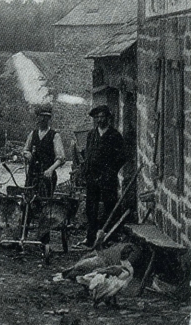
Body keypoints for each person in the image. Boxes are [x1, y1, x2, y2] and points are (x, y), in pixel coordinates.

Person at [74, 104, 126, 249]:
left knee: (110, 205)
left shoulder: (115, 136)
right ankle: (90, 237)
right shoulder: (91, 135)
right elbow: (88, 155)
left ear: (108, 118)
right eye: (98, 117)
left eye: (103, 116)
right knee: (91, 207)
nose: (100, 119)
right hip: (92, 177)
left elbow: (122, 157)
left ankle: (109, 236)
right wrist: (85, 171)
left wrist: (111, 171)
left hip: (107, 178)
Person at [22, 103, 66, 198]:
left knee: (44, 202)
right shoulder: (32, 134)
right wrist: (27, 154)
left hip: (47, 177)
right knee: (28, 201)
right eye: (40, 117)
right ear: (37, 118)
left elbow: (61, 158)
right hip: (32, 175)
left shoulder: (54, 136)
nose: (42, 120)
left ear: (49, 119)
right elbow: (25, 150)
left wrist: (50, 170)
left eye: (45, 117)